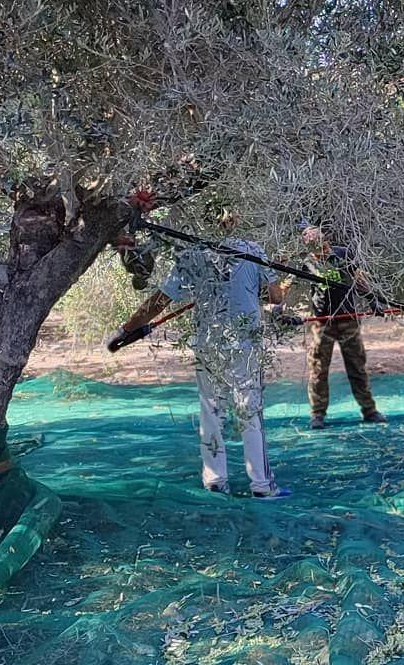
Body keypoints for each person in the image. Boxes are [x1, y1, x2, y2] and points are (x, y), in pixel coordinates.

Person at [113, 209, 292, 500]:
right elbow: (274, 297)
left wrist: (126, 328)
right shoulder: (252, 250)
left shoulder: (191, 255)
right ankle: (262, 485)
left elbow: (160, 300)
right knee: (250, 411)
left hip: (209, 343)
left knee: (211, 411)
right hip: (244, 343)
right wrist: (248, 288)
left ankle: (215, 481)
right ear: (233, 220)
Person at [295, 224, 387, 428]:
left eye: (318, 241)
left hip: (347, 318)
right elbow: (287, 284)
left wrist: (372, 299)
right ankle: (317, 414)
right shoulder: (307, 262)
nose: (318, 247)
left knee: (356, 366)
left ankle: (369, 411)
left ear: (324, 239)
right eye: (311, 244)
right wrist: (278, 308)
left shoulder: (342, 254)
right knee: (318, 369)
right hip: (322, 322)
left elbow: (359, 278)